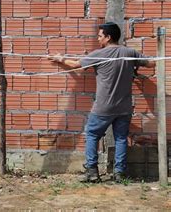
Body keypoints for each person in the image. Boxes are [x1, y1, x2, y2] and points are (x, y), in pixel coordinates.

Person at [49, 22, 155, 182]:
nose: (98, 39)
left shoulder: (99, 54)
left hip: (103, 107)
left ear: (108, 37)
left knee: (92, 134)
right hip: (124, 107)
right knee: (120, 138)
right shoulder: (129, 52)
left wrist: (60, 59)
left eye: (100, 36)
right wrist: (133, 67)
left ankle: (92, 172)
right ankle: (119, 174)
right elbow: (152, 63)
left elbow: (77, 65)